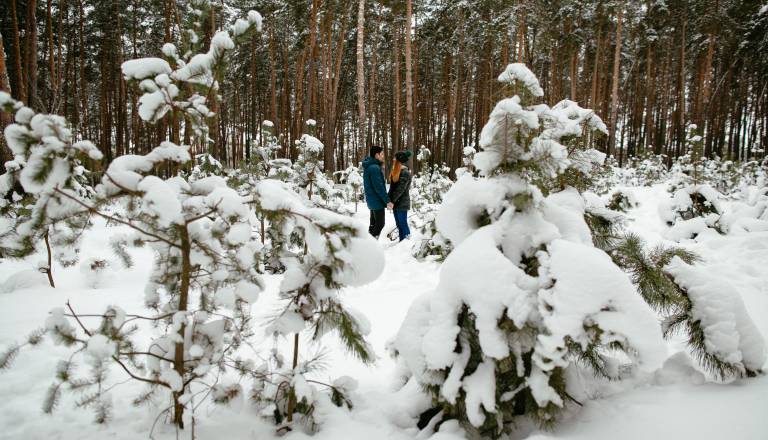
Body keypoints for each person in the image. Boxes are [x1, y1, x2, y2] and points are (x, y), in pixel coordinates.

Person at [362, 146, 392, 238]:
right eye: (381, 154)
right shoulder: (374, 168)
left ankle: (368, 240)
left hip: (372, 200)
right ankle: (371, 243)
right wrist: (387, 201)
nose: (383, 156)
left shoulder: (370, 166)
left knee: (373, 223)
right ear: (376, 155)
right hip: (376, 200)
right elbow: (379, 187)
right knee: (380, 224)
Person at [388, 150, 413, 241]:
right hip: (396, 202)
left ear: (399, 161)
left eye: (395, 158)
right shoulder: (396, 172)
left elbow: (400, 189)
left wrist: (392, 201)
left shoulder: (405, 173)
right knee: (399, 224)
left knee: (403, 223)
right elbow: (392, 188)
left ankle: (407, 242)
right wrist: (388, 199)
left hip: (402, 203)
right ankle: (402, 242)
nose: (393, 160)